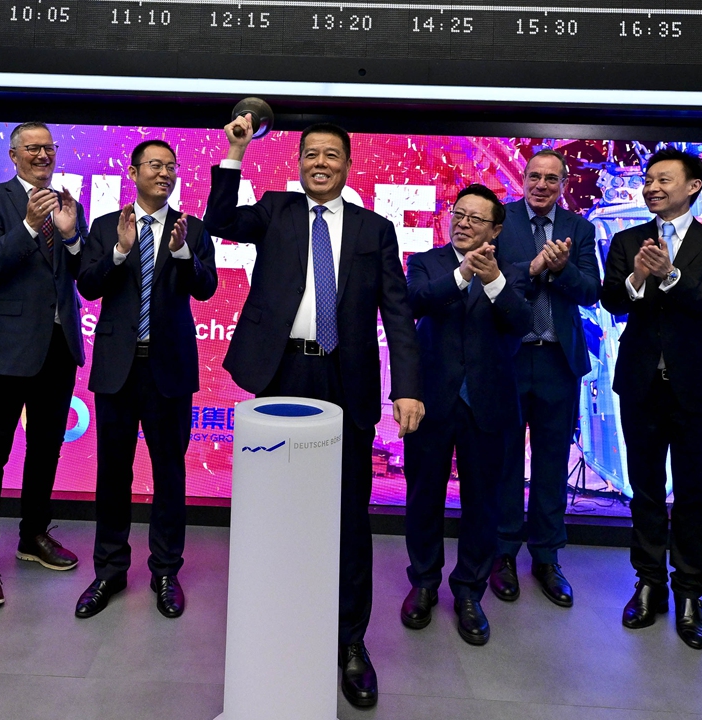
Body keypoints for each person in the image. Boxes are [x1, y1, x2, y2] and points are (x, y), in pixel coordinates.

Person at [204, 116, 423, 709]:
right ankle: (280, 622)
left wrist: (407, 387)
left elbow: (397, 314)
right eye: (310, 155)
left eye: (331, 155)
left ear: (349, 166)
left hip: (343, 377)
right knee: (277, 506)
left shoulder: (375, 230)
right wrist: (234, 153)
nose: (320, 163)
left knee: (349, 514)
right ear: (298, 163)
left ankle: (350, 642)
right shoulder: (274, 211)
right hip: (279, 372)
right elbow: (220, 221)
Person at [600, 147, 702, 649]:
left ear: (693, 186)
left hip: (697, 390)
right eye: (648, 180)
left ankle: (689, 594)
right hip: (639, 386)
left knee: (692, 496)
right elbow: (612, 300)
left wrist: (673, 277)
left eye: (663, 180)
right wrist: (640, 276)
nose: (652, 188)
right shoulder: (626, 241)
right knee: (644, 492)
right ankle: (648, 584)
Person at [74, 139, 218, 619]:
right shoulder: (105, 227)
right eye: (155, 166)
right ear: (133, 172)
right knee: (112, 473)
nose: (165, 173)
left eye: (171, 167)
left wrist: (180, 254)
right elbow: (88, 286)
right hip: (118, 368)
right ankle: (110, 570)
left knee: (170, 474)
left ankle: (165, 571)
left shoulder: (191, 229)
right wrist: (119, 250)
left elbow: (207, 286)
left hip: (169, 370)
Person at [0, 121, 87, 611]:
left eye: (48, 148)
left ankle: (33, 535)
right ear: (13, 155)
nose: (41, 155)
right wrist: (31, 226)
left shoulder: (67, 202)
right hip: (5, 349)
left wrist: (73, 238)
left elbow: (82, 274)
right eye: (31, 148)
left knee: (46, 449)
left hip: (58, 346)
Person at [400, 184, 531, 647]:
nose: (464, 223)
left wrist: (492, 280)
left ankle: (470, 592)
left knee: (482, 502)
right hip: (430, 400)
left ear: (496, 229)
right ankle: (423, 582)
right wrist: (460, 275)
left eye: (477, 218)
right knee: (422, 496)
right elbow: (414, 303)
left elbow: (522, 322)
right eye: (459, 214)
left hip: (489, 405)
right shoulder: (427, 262)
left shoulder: (512, 273)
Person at [490, 150, 600, 608]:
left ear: (564, 182)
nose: (540, 184)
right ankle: (503, 553)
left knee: (553, 461)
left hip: (557, 360)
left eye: (550, 178)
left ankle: (547, 557)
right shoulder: (501, 220)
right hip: (508, 359)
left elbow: (591, 291)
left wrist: (562, 269)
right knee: (504, 461)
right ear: (523, 177)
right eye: (533, 176)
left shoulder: (580, 228)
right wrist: (534, 269)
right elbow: (489, 278)